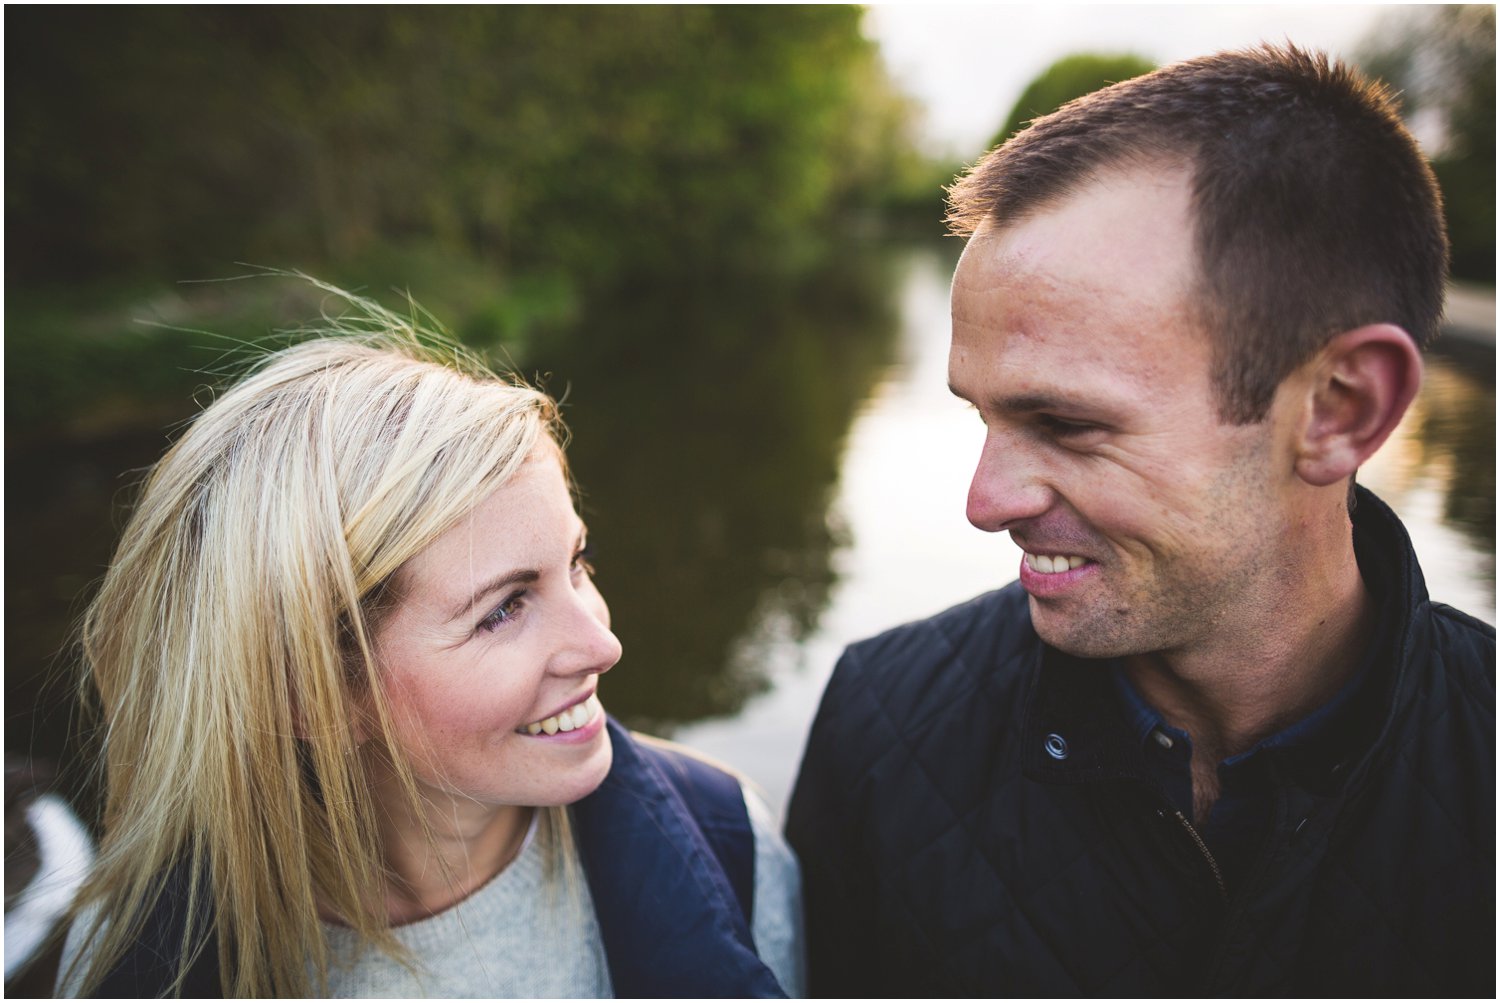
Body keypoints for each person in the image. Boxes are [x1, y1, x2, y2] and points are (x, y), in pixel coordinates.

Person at [786, 44, 1493, 997]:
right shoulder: (883, 723)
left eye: (1067, 423)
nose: (985, 501)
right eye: (981, 414)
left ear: (1339, 410)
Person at [58, 289, 803, 998]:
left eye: (576, 563)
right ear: (305, 694)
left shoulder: (731, 844)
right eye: (505, 609)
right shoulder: (131, 953)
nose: (602, 642)